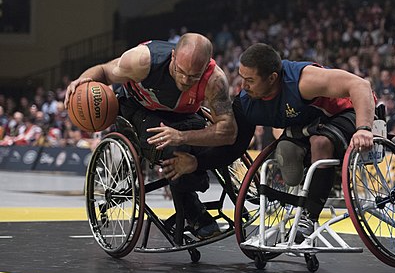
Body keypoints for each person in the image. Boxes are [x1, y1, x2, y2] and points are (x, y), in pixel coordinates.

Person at [163, 43, 375, 238]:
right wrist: (197, 164)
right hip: (309, 125)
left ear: (273, 78)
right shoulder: (247, 103)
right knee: (286, 152)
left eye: (250, 80)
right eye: (241, 77)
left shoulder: (303, 81)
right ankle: (306, 194)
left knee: (320, 142)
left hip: (350, 114)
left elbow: (360, 85)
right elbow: (233, 146)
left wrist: (364, 128)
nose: (243, 86)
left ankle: (308, 218)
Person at [64, 33, 238, 239]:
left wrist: (184, 139)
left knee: (209, 147)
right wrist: (81, 81)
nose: (185, 79)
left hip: (182, 115)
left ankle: (194, 180)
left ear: (206, 67)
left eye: (193, 76)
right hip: (139, 109)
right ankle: (194, 211)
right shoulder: (142, 61)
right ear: (173, 57)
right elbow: (103, 71)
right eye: (180, 71)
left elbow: (228, 131)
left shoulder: (215, 80)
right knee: (173, 151)